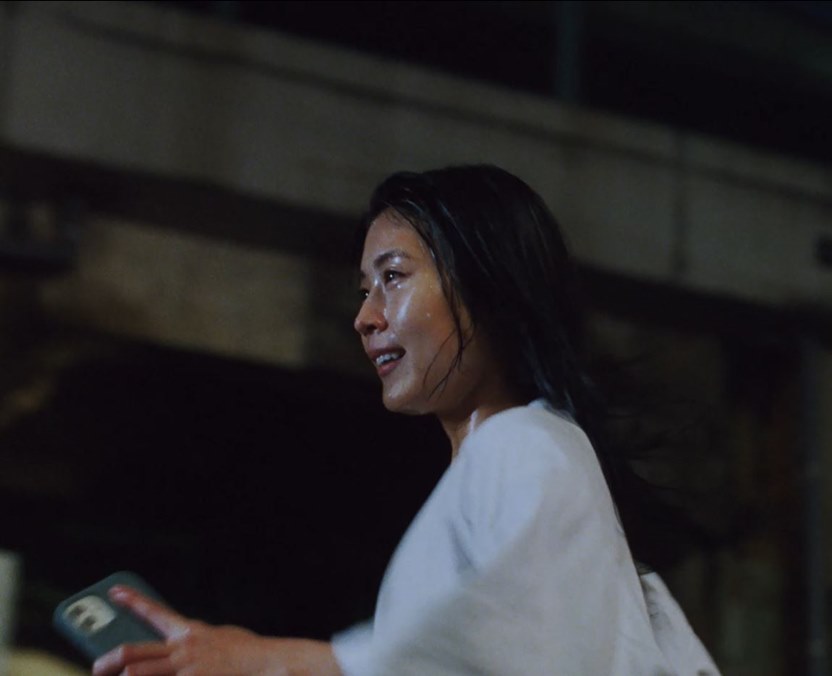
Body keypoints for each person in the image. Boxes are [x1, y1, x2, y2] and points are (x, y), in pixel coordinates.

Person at [93, 165, 719, 675]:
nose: (365, 317)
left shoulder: (527, 444)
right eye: (365, 289)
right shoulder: (515, 461)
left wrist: (267, 661)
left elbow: (500, 650)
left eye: (392, 277)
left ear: (488, 291)